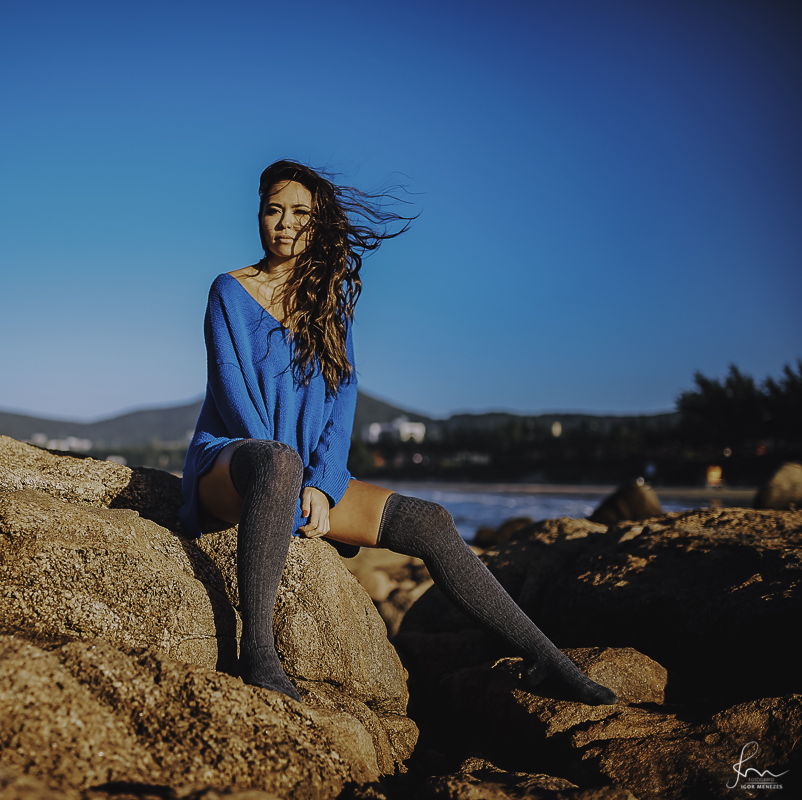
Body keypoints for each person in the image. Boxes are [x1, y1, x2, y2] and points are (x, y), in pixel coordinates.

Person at [179, 159, 617, 706]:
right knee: (275, 461)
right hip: (234, 463)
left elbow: (342, 400)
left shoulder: (328, 305)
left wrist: (324, 484)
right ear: (259, 215)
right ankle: (258, 655)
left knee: (430, 521)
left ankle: (546, 658)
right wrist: (291, 487)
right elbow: (232, 393)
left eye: (300, 213)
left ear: (317, 223)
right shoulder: (229, 291)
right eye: (274, 210)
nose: (285, 223)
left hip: (300, 478)